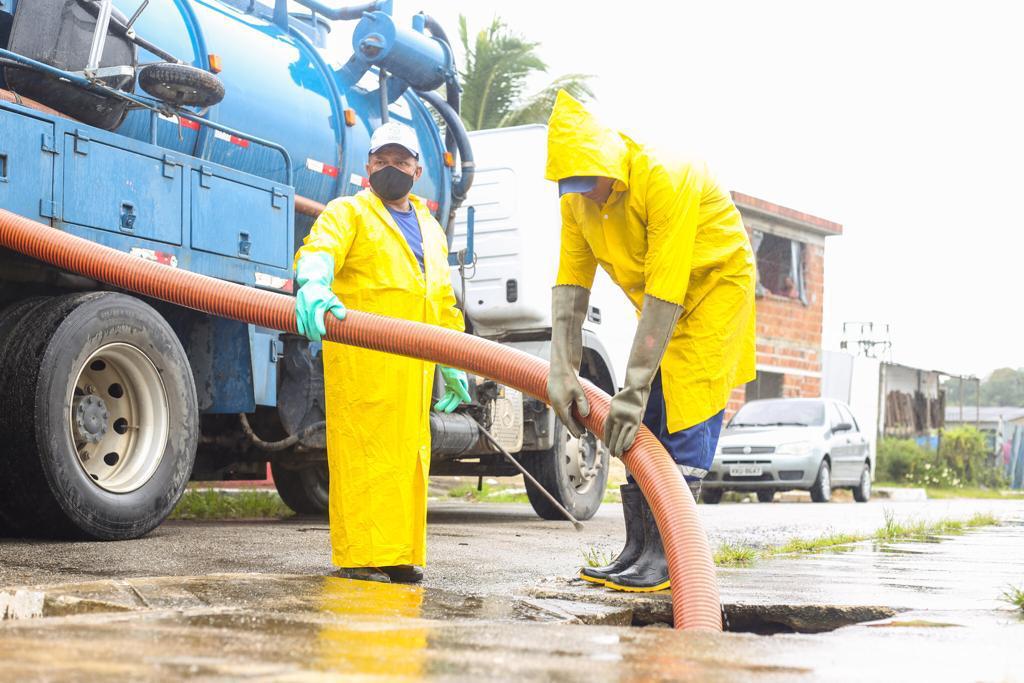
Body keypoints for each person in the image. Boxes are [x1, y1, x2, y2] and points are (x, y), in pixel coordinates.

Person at [545, 91, 756, 592]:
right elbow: (571, 288)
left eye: (590, 181)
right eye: (572, 185)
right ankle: (637, 552)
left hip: (712, 295)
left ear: (610, 163)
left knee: (683, 421)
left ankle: (668, 561)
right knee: (643, 430)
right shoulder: (577, 203)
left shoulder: (665, 176)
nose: (586, 194)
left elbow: (668, 285)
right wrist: (562, 369)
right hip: (661, 311)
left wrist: (631, 390)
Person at [293, 121, 471, 584]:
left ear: (417, 169)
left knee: (408, 459)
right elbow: (320, 249)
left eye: (402, 161)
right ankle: (359, 557)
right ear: (368, 166)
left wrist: (453, 359)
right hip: (365, 366)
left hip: (415, 370)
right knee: (365, 457)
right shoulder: (348, 211)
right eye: (383, 161)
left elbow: (442, 299)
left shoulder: (431, 228)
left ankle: (397, 553)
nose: (392, 168)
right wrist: (313, 282)